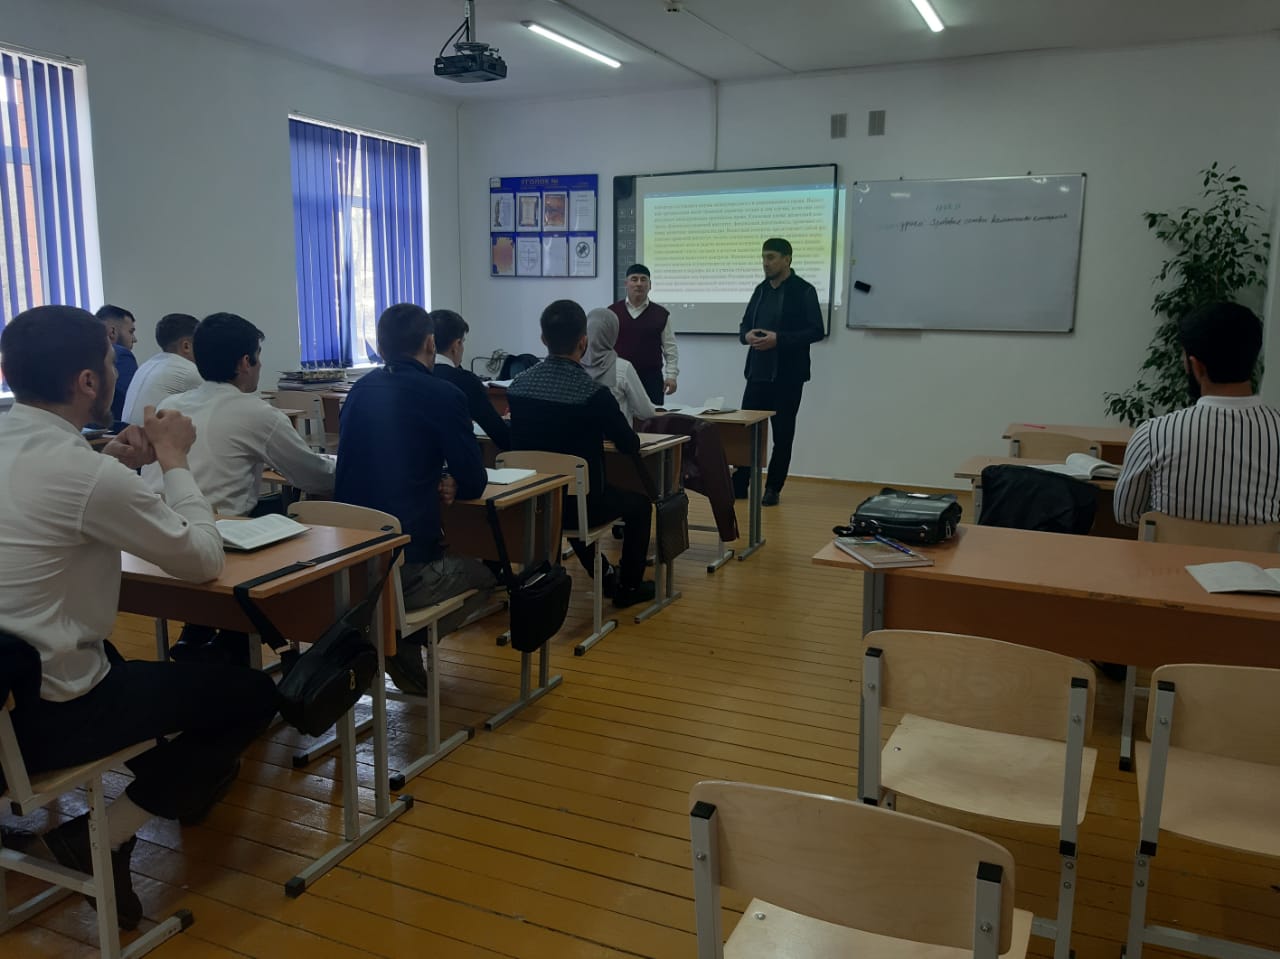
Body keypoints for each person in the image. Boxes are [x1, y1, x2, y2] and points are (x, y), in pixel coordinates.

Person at [0, 306, 278, 931]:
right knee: (252, 695)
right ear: (88, 382)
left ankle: (173, 788)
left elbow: (56, 489)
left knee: (131, 667)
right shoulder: (87, 474)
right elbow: (203, 560)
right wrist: (173, 461)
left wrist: (113, 461)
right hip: (44, 719)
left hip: (8, 697)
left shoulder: (41, 451)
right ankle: (102, 835)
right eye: (109, 362)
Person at [336, 303, 496, 695]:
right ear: (430, 343)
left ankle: (391, 636)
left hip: (348, 565)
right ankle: (402, 637)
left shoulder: (358, 390)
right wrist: (454, 480)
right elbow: (474, 481)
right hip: (407, 564)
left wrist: (440, 476)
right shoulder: (444, 394)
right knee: (490, 576)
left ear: (381, 347)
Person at [507, 299, 655, 609]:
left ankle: (607, 577)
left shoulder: (517, 387)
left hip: (532, 503)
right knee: (640, 505)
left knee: (569, 496)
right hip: (581, 505)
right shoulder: (593, 394)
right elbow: (629, 443)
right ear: (583, 342)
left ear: (543, 339)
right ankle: (629, 587)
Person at [145, 312, 335, 516]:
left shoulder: (169, 405)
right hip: (218, 528)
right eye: (258, 356)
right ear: (246, 362)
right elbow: (315, 478)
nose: (260, 364)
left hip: (152, 523)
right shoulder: (258, 413)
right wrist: (342, 465)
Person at [1114, 302, 1280, 526]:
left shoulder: (1153, 434)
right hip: (1259, 551)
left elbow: (1126, 515)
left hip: (1170, 551)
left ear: (1196, 366)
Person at [732, 238, 825, 507]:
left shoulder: (803, 290)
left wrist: (779, 339)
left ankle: (773, 487)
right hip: (757, 374)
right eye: (764, 257)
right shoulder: (760, 290)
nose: (766, 263)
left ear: (787, 259)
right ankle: (740, 482)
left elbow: (816, 331)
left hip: (788, 376)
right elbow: (744, 326)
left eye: (771, 257)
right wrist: (747, 336)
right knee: (746, 432)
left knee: (783, 435)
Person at [429, 308, 512, 450]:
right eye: (463, 342)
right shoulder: (465, 381)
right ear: (456, 345)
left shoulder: (413, 376)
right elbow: (501, 436)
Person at [609, 263, 678, 405]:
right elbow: (603, 347)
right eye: (634, 279)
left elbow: (670, 349)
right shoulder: (612, 312)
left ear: (650, 285)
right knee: (618, 417)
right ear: (626, 284)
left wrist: (671, 376)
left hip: (651, 380)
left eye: (643, 279)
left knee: (652, 418)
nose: (639, 284)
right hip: (618, 380)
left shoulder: (661, 314)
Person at [120, 312, 203, 424]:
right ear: (186, 346)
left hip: (125, 432)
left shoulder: (147, 365)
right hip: (150, 434)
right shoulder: (188, 371)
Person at [583, 307, 657, 426]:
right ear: (613, 332)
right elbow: (645, 412)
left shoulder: (574, 366)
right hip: (617, 436)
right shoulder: (623, 368)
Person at [95, 304, 137, 427]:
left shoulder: (86, 353)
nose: (134, 339)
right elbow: (130, 400)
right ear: (112, 332)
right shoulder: (121, 354)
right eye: (131, 332)